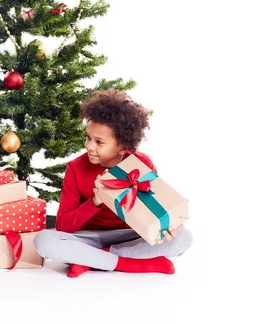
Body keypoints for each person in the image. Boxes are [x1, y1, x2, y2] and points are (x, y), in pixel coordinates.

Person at [33, 89, 193, 277]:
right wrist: (95, 202)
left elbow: (155, 212)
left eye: (99, 142)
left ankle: (95, 259)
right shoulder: (76, 168)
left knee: (183, 238)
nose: (89, 146)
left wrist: (166, 227)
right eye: (88, 138)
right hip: (89, 238)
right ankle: (131, 264)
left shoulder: (141, 164)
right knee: (43, 241)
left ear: (123, 146)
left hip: (129, 237)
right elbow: (63, 226)